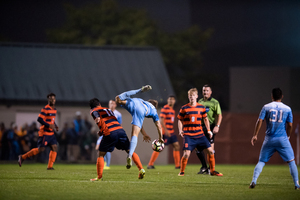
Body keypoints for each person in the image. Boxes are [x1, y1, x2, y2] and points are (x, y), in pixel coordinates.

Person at [249, 88, 300, 189]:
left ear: (272, 96)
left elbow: (259, 121)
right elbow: (290, 125)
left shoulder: (266, 107)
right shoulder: (287, 108)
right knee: (291, 161)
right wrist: (288, 136)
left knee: (262, 161)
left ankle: (253, 181)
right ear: (282, 96)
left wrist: (255, 135)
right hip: (282, 139)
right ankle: (296, 184)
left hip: (269, 139)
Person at [89, 98, 145, 181]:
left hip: (110, 132)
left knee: (101, 154)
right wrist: (102, 131)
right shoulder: (108, 109)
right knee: (130, 151)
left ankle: (99, 177)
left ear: (91, 107)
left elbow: (98, 119)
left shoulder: (94, 110)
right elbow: (111, 120)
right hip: (120, 131)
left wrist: (101, 129)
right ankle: (141, 169)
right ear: (99, 103)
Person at [115, 85, 163, 169]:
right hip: (141, 109)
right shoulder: (154, 110)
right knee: (134, 134)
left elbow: (139, 122)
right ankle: (130, 155)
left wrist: (144, 134)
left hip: (134, 102)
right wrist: (160, 137)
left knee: (118, 99)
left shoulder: (143, 101)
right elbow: (159, 125)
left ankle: (140, 90)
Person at [177, 88, 222, 176]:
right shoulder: (184, 108)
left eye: (193, 96)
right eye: (190, 96)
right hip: (188, 135)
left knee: (211, 151)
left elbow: (205, 119)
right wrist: (180, 130)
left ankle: (212, 171)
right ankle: (181, 171)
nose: (192, 97)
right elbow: (179, 120)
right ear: (188, 97)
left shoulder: (201, 107)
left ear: (197, 96)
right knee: (186, 154)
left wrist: (209, 130)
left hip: (200, 135)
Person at [18, 93, 59, 170]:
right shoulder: (45, 109)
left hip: (51, 133)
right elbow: (39, 119)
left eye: (53, 99)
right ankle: (22, 157)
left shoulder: (54, 109)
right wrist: (48, 125)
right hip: (44, 133)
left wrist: (55, 125)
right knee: (41, 149)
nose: (52, 100)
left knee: (54, 147)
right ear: (48, 100)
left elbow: (52, 120)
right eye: (50, 99)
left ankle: (50, 166)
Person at [147, 95, 180, 169]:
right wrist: (165, 130)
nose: (171, 101)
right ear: (168, 100)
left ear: (174, 101)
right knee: (159, 147)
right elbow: (161, 121)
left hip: (171, 132)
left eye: (172, 99)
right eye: (170, 99)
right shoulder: (165, 108)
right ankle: (150, 164)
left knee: (177, 146)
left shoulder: (173, 110)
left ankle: (177, 165)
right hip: (166, 132)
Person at [196, 84, 222, 174]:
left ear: (210, 92)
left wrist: (217, 126)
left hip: (210, 126)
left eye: (207, 90)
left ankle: (211, 169)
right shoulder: (199, 101)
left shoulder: (215, 102)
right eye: (204, 90)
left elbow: (219, 115)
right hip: (200, 126)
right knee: (197, 147)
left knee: (210, 149)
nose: (205, 92)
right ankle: (204, 166)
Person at [95, 100, 122, 169]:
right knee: (98, 148)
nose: (111, 105)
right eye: (110, 103)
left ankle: (107, 165)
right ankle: (103, 163)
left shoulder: (118, 114)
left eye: (113, 104)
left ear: (115, 105)